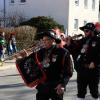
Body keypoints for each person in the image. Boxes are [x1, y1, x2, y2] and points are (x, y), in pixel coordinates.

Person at [32, 30, 73, 100]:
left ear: (53, 40)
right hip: (43, 86)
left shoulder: (63, 52)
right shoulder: (41, 51)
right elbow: (32, 61)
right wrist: (24, 56)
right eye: (43, 40)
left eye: (46, 40)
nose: (44, 42)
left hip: (56, 86)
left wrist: (63, 84)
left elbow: (68, 71)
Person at [65, 23, 100, 100]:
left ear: (92, 31)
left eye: (87, 31)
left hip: (93, 70)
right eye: (84, 31)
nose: (85, 32)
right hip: (82, 70)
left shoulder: (98, 40)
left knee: (94, 91)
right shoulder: (82, 40)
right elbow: (73, 51)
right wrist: (68, 43)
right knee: (81, 91)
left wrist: (95, 62)